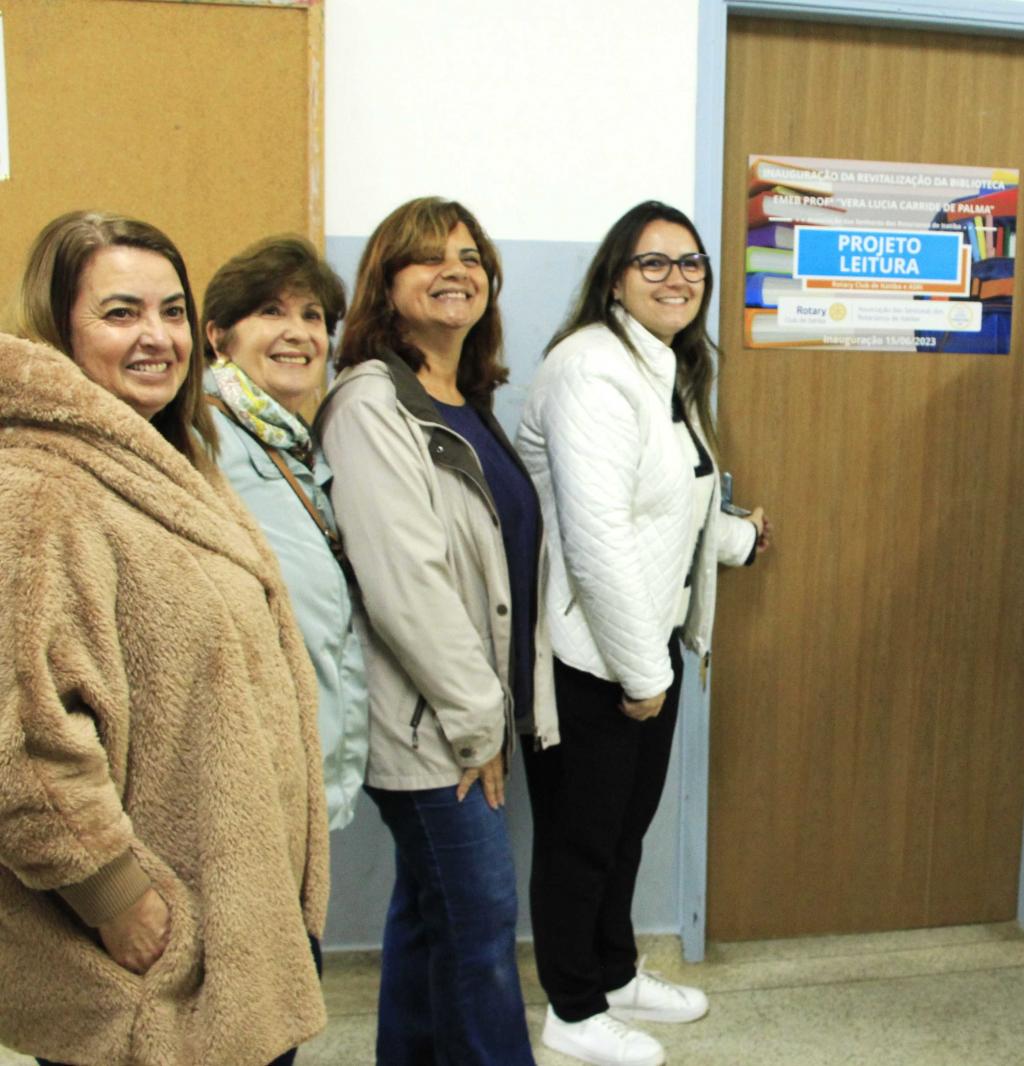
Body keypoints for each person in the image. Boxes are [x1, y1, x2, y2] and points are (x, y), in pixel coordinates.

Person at [0, 211, 328, 1065]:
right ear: (60, 325)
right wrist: (119, 900)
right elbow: (23, 742)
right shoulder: (39, 486)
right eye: (121, 313)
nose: (157, 337)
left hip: (231, 926)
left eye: (173, 311)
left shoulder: (171, 456)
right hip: (151, 964)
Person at [516, 200, 770, 1066]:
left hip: (643, 646)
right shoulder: (592, 369)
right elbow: (597, 537)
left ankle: (614, 972)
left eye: (690, 263)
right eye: (653, 263)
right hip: (592, 656)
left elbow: (671, 499)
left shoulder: (661, 365)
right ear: (615, 277)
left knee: (623, 832)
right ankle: (573, 1009)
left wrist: (738, 539)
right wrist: (640, 675)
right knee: (581, 837)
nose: (676, 278)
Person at [317, 197, 543, 1065]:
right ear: (386, 283)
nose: (456, 269)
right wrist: (479, 721)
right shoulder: (373, 404)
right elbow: (406, 588)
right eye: (427, 258)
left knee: (429, 914)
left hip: (470, 712)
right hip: (433, 727)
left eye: (470, 254)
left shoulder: (468, 399)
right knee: (481, 932)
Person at [202, 235, 369, 832]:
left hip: (299, 777)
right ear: (218, 336)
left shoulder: (288, 443)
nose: (297, 332)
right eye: (270, 311)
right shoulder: (203, 440)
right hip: (242, 782)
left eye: (312, 316)